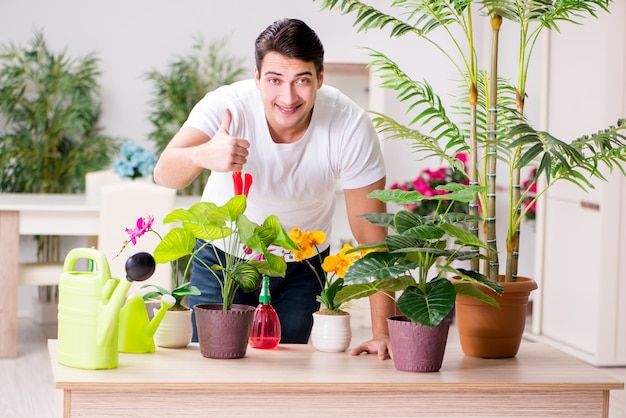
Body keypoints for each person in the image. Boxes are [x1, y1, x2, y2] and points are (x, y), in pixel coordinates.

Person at [153, 18, 395, 359]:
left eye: (302, 81)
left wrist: (383, 333)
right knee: (216, 369)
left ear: (321, 78)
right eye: (274, 80)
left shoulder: (349, 124)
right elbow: (164, 173)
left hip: (301, 267)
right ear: (256, 78)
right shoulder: (228, 105)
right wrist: (203, 154)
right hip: (224, 258)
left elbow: (372, 237)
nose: (288, 96)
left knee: (286, 370)